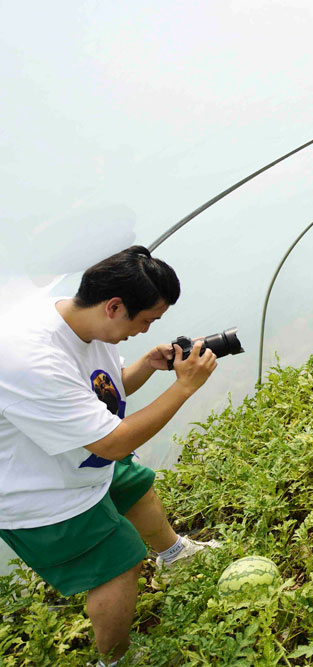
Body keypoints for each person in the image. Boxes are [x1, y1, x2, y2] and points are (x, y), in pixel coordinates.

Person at [0, 246, 220, 666]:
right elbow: (111, 443)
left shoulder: (82, 321)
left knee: (134, 484)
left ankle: (174, 554)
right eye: (146, 320)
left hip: (73, 456)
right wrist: (184, 387)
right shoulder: (32, 357)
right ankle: (113, 661)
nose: (147, 328)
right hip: (36, 490)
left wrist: (145, 366)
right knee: (120, 563)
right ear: (115, 306)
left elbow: (103, 385)